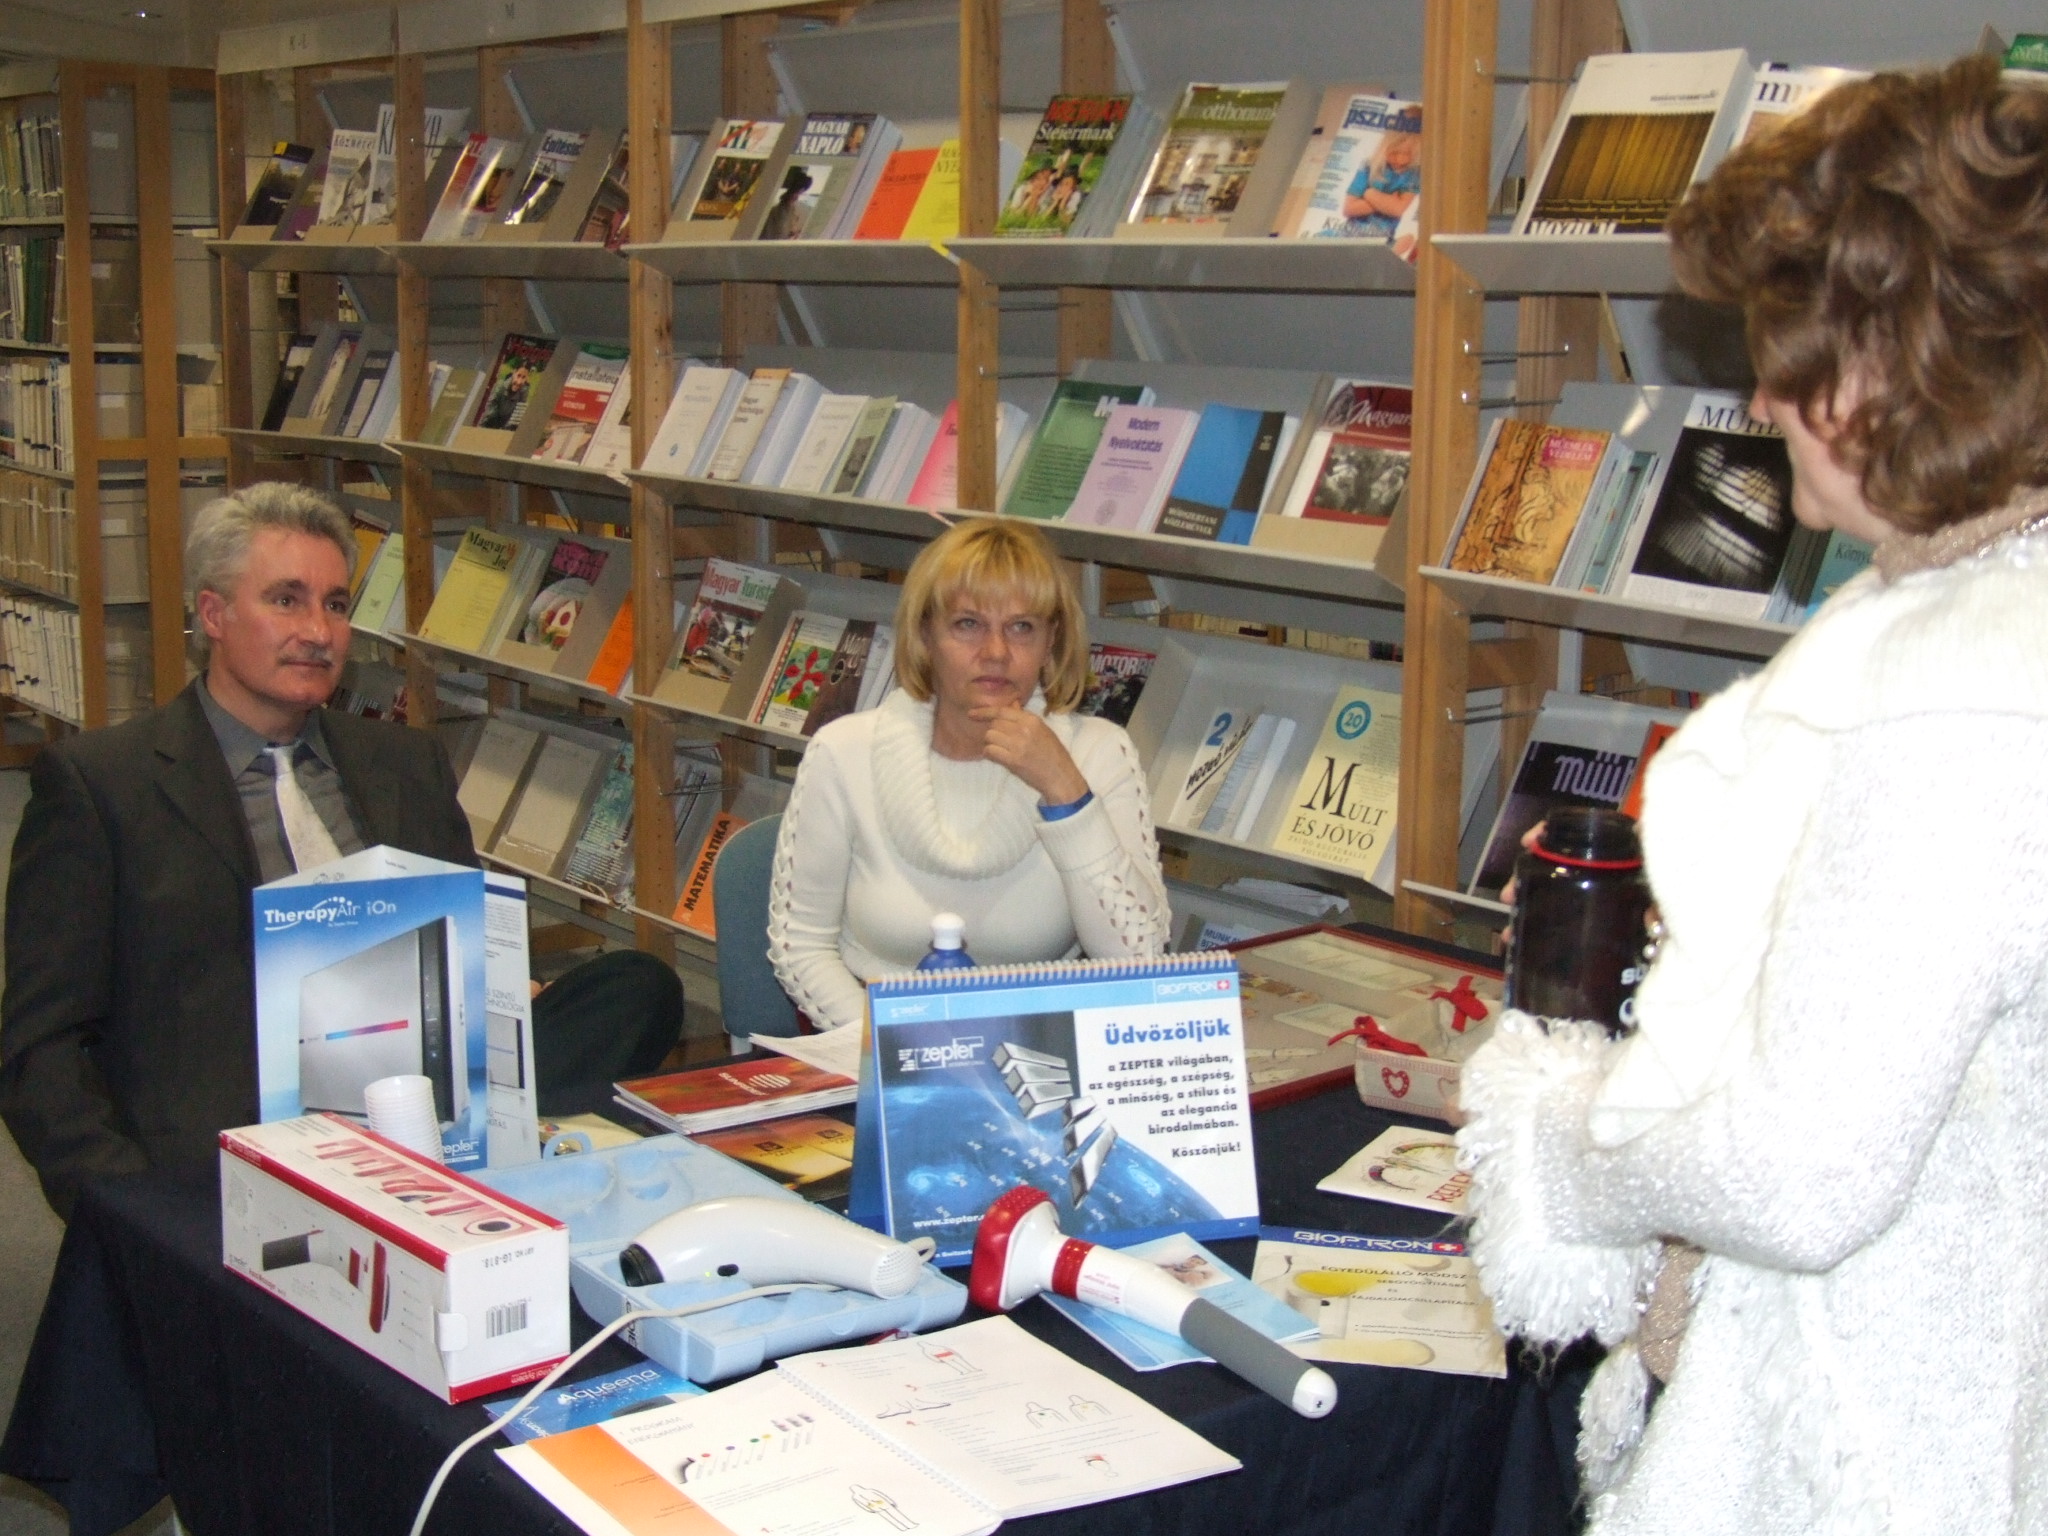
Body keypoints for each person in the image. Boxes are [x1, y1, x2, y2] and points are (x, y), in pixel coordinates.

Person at [1455, 56, 2048, 1535]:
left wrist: (1551, 1136)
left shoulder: (1960, 685)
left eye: (1797, 355)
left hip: (1868, 1451)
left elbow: (1800, 1168)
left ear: (1922, 362)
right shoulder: (1953, 620)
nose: (1765, 399)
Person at [0, 483, 681, 1219]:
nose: (319, 632)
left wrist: (501, 986)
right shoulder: (103, 785)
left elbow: (465, 936)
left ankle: (491, 1154)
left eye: (335, 604)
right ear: (213, 615)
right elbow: (41, 1045)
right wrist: (131, 1208)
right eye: (286, 600)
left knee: (638, 986)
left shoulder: (406, 762)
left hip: (421, 1079)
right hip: (237, 1113)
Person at [766, 519, 1169, 1028]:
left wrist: (1065, 790)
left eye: (1022, 627)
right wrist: (893, 1050)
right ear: (925, 635)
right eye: (968, 624)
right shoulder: (844, 752)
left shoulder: (1100, 752)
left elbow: (1140, 961)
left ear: (1052, 641)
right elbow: (800, 946)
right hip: (869, 1031)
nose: (996, 652)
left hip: (1041, 1040)